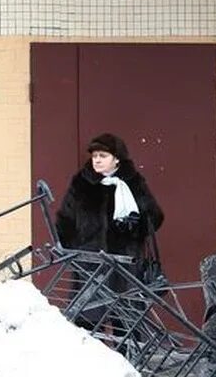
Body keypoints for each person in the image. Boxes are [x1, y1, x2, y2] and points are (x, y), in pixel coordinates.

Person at [56, 133, 164, 330]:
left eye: (102, 156)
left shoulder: (133, 182)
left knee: (126, 323)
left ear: (116, 159)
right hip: (91, 265)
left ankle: (129, 360)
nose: (97, 160)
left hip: (125, 265)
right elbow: (64, 220)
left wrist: (135, 227)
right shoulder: (82, 183)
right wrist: (74, 251)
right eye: (95, 156)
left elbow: (155, 217)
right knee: (87, 322)